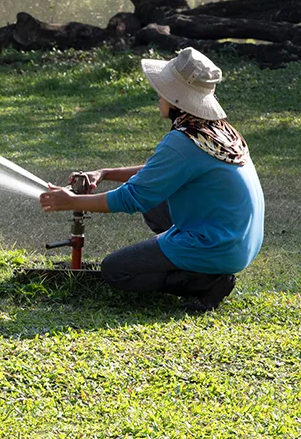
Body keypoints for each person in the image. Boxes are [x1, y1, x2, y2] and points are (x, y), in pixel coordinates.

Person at [39, 48, 265, 312]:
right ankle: (202, 268)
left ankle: (206, 281)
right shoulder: (216, 130)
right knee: (155, 204)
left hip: (215, 246)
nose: (158, 95)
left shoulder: (183, 140)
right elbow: (157, 172)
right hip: (238, 241)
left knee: (116, 270)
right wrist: (106, 173)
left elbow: (131, 198)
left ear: (176, 98)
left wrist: (72, 201)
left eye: (163, 90)